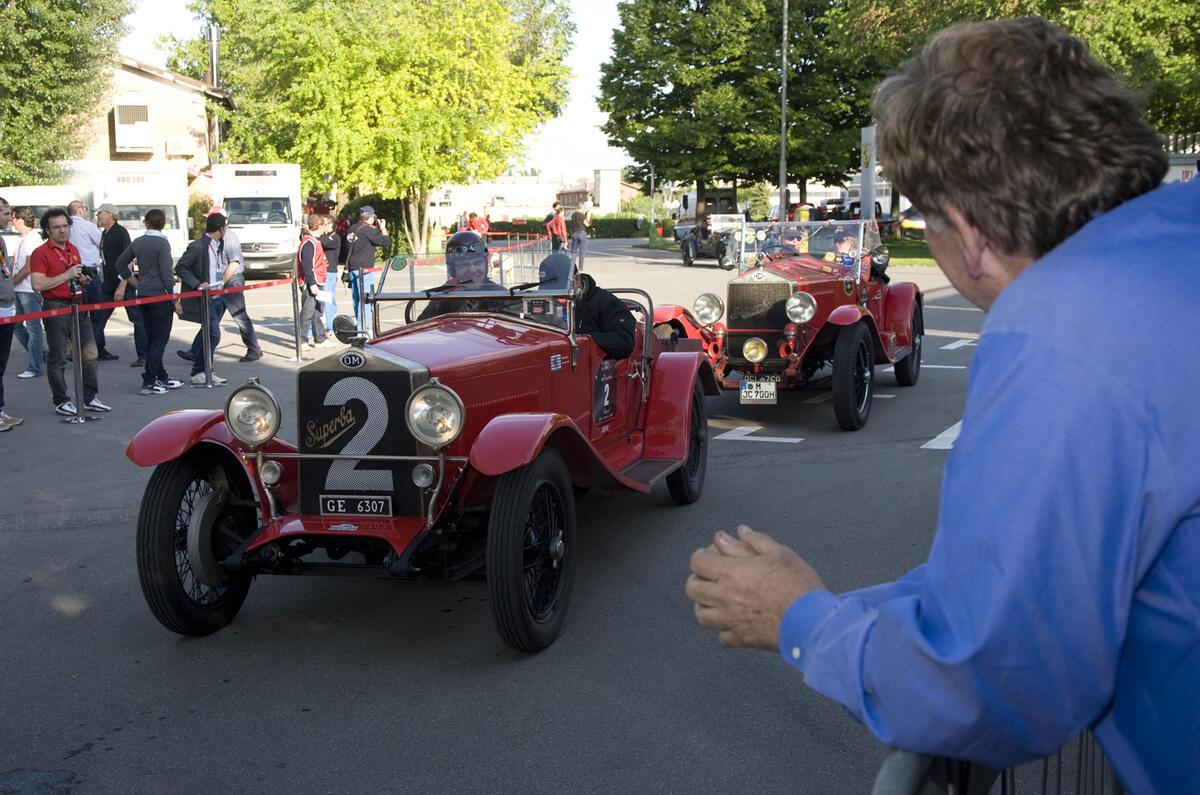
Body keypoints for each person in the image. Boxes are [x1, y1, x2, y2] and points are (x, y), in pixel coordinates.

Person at [685, 17, 1195, 794]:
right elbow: (1016, 580)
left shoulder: (1059, 331)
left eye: (925, 215)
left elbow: (1000, 676)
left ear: (970, 231)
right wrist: (837, 604)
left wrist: (799, 618)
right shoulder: (1174, 240)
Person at [29, 207, 111, 415]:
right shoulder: (41, 253)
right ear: (47, 230)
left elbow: (74, 275)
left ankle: (89, 397)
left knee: (90, 353)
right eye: (56, 228)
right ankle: (61, 400)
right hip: (55, 306)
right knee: (58, 357)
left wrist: (81, 279)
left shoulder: (72, 248)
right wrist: (66, 275)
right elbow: (37, 284)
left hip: (77, 303)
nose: (62, 231)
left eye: (65, 226)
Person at [112, 209, 181, 395]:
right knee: (160, 338)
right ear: (163, 222)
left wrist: (135, 281)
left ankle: (161, 376)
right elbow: (167, 275)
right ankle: (150, 379)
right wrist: (175, 298)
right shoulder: (162, 244)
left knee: (151, 337)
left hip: (143, 294)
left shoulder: (138, 242)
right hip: (160, 295)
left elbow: (120, 263)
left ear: (146, 222)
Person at [537, 252, 634, 359]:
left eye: (560, 290)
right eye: (549, 291)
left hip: (590, 366)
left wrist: (583, 340)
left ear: (577, 280)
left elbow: (625, 341)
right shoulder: (542, 303)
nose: (555, 296)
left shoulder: (604, 302)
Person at [175, 212, 231, 385]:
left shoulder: (218, 244)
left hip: (216, 295)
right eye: (225, 227)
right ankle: (200, 370)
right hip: (205, 296)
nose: (226, 230)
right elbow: (181, 267)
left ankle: (204, 370)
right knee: (213, 334)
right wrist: (198, 284)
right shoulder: (199, 246)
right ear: (221, 229)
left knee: (209, 334)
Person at [93, 203, 145, 365]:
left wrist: (122, 285)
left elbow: (128, 260)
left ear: (110, 214)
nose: (98, 217)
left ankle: (144, 355)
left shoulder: (120, 233)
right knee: (98, 319)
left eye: (100, 213)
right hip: (108, 284)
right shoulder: (105, 234)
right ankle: (95, 351)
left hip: (123, 284)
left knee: (137, 319)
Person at [416, 230, 507, 320]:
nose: (472, 270)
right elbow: (421, 328)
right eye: (465, 265)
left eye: (478, 263)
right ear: (453, 270)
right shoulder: (445, 298)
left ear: (485, 265)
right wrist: (446, 299)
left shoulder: (501, 295)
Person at [10, 205, 46, 380]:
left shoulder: (33, 239)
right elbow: (16, 262)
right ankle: (41, 353)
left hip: (28, 290)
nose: (12, 221)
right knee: (16, 326)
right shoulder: (21, 238)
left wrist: (13, 281)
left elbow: (29, 266)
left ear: (21, 220)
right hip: (19, 289)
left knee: (33, 328)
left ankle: (35, 366)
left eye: (15, 218)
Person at [344, 205, 389, 331]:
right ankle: (363, 328)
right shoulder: (369, 230)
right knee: (366, 299)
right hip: (365, 270)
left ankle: (360, 325)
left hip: (352, 268)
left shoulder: (352, 228)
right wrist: (383, 229)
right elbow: (386, 242)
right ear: (371, 217)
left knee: (357, 299)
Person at [0, 197, 21, 430]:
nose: (10, 217)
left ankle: (1, 410)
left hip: (7, 307)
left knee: (1, 365)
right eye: (6, 213)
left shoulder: (2, 240)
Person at [296, 213, 332, 349]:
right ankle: (302, 341)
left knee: (318, 312)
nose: (327, 227)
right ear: (319, 226)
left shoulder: (315, 240)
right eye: (325, 224)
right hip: (312, 282)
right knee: (307, 312)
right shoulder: (309, 242)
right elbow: (307, 265)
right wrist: (311, 284)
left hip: (319, 280)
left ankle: (320, 339)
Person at [66, 200, 104, 329]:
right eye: (86, 209)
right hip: (89, 272)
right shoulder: (88, 226)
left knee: (77, 314)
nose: (87, 213)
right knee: (96, 313)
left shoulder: (66, 226)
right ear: (80, 210)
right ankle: (96, 346)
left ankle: (78, 345)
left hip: (70, 272)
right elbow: (103, 243)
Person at [318, 214, 341, 336]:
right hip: (321, 272)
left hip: (330, 272)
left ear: (330, 224)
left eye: (324, 224)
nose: (322, 227)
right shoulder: (323, 236)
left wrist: (316, 235)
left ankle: (332, 328)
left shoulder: (335, 237)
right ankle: (316, 329)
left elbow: (324, 243)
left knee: (328, 301)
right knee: (320, 301)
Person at [569, 202, 592, 268]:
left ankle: (572, 265)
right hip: (582, 233)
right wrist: (588, 216)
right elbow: (587, 224)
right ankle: (580, 266)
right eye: (584, 208)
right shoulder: (581, 215)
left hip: (575, 233)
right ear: (581, 207)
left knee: (573, 251)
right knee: (582, 251)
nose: (584, 209)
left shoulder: (573, 215)